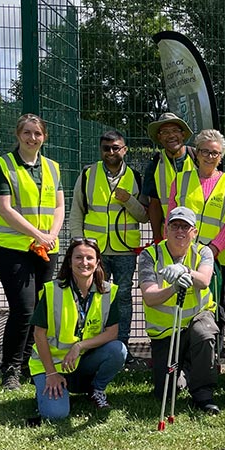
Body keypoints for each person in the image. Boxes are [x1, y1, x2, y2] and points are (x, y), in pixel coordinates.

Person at [0, 113, 65, 391]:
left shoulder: (53, 167)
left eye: (38, 133)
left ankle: (32, 364)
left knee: (41, 309)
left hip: (45, 247)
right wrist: (38, 234)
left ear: (45, 137)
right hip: (11, 248)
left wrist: (52, 235)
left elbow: (59, 206)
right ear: (18, 135)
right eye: (27, 133)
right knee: (23, 308)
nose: (33, 138)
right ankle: (10, 369)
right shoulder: (2, 166)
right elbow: (4, 208)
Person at [29, 238, 127, 419]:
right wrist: (51, 373)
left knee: (118, 350)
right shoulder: (53, 290)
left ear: (97, 261)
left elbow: (112, 333)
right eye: (78, 257)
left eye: (89, 258)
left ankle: (96, 390)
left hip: (81, 362)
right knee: (56, 414)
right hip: (52, 365)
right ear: (69, 261)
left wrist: (79, 346)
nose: (84, 263)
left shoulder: (107, 291)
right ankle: (45, 385)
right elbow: (39, 334)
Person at [69, 130, 148, 350]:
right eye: (106, 148)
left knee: (122, 297)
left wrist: (129, 200)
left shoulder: (136, 176)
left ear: (125, 149)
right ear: (100, 150)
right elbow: (76, 211)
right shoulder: (87, 174)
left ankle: (121, 346)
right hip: (94, 250)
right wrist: (79, 243)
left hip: (125, 250)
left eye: (116, 147)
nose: (111, 152)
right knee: (92, 295)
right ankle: (89, 345)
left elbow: (144, 216)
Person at [137, 207, 221, 415]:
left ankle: (203, 394)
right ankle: (184, 371)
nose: (180, 231)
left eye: (185, 226)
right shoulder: (150, 255)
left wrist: (185, 270)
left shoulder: (203, 252)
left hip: (197, 318)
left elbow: (204, 281)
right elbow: (149, 296)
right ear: (166, 229)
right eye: (175, 226)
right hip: (166, 331)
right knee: (165, 392)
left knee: (204, 333)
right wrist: (173, 287)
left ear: (194, 232)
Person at [169, 129, 225, 345]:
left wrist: (213, 249)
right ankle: (182, 352)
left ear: (222, 156)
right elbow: (170, 218)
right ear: (196, 154)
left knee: (214, 305)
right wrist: (174, 249)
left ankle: (213, 355)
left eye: (215, 153)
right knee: (181, 300)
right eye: (205, 152)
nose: (210, 157)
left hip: (217, 257)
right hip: (182, 254)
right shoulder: (181, 180)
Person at [144, 112, 195, 241]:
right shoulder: (154, 164)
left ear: (183, 134)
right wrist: (157, 237)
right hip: (169, 235)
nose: (171, 135)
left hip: (197, 233)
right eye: (165, 132)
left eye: (175, 130)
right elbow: (154, 204)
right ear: (159, 137)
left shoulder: (198, 158)